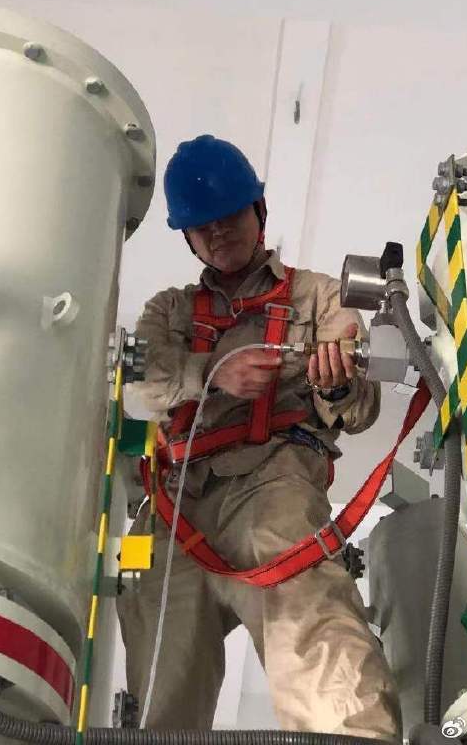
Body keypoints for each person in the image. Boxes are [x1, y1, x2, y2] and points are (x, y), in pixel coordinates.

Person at [117, 134, 401, 739]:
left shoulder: (319, 294)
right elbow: (138, 387)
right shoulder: (167, 310)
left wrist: (334, 385)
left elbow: (361, 411)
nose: (218, 232)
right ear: (187, 238)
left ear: (259, 211)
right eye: (202, 226)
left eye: (230, 215)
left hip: (274, 483)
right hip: (174, 504)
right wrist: (212, 373)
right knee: (159, 697)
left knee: (318, 643)